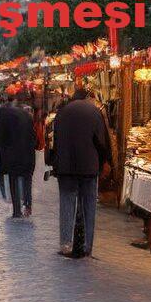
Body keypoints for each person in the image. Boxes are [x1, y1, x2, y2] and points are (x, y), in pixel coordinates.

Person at [50, 87, 111, 258]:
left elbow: (55, 140)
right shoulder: (94, 112)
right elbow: (101, 141)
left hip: (66, 166)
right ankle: (87, 245)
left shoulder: (62, 113)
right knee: (89, 205)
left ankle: (66, 244)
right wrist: (104, 160)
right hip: (89, 166)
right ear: (87, 98)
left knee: (67, 203)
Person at [0, 91, 37, 218]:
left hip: (12, 153)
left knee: (13, 179)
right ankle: (28, 206)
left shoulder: (3, 115)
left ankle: (16, 210)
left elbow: (0, 136)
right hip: (27, 152)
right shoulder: (26, 115)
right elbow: (33, 137)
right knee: (27, 178)